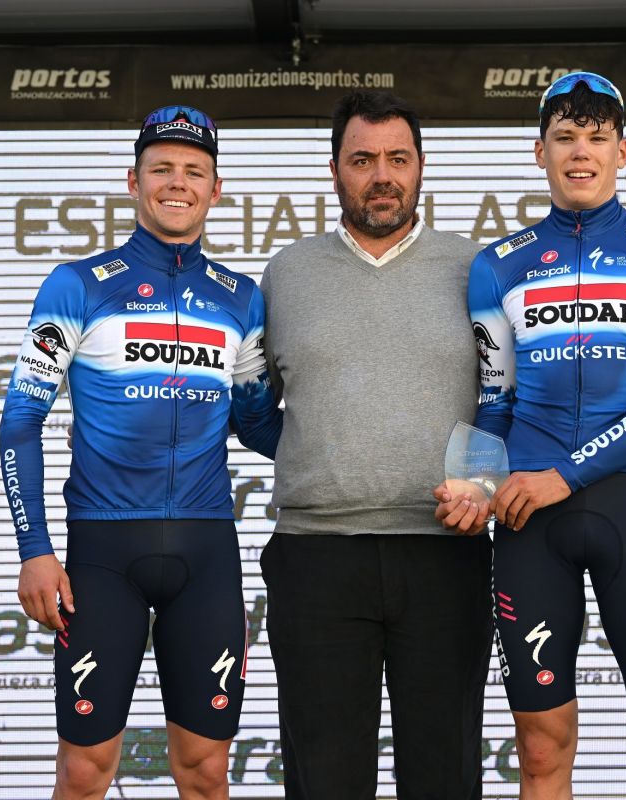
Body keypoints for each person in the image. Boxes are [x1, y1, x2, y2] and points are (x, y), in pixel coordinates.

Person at [436, 72, 626, 799]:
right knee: (539, 750)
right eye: (564, 137)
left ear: (623, 150)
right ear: (540, 152)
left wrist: (566, 475)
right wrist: (475, 482)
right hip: (528, 524)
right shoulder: (498, 265)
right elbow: (494, 403)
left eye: (596, 137)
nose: (580, 152)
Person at [0, 105, 280, 800]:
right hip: (102, 556)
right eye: (162, 169)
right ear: (133, 181)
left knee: (206, 773)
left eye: (194, 171)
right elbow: (21, 422)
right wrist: (34, 550)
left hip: (206, 554)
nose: (177, 183)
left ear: (216, 190)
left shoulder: (242, 299)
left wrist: (353, 444)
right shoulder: (78, 285)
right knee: (84, 772)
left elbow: (258, 426)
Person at [257, 89, 492, 799]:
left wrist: (483, 483)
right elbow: (255, 409)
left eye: (398, 159)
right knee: (325, 781)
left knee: (444, 777)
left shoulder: (477, 269)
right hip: (316, 557)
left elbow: (509, 401)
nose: (382, 176)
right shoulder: (286, 274)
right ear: (334, 170)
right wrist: (321, 460)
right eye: (362, 160)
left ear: (421, 167)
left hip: (445, 554)